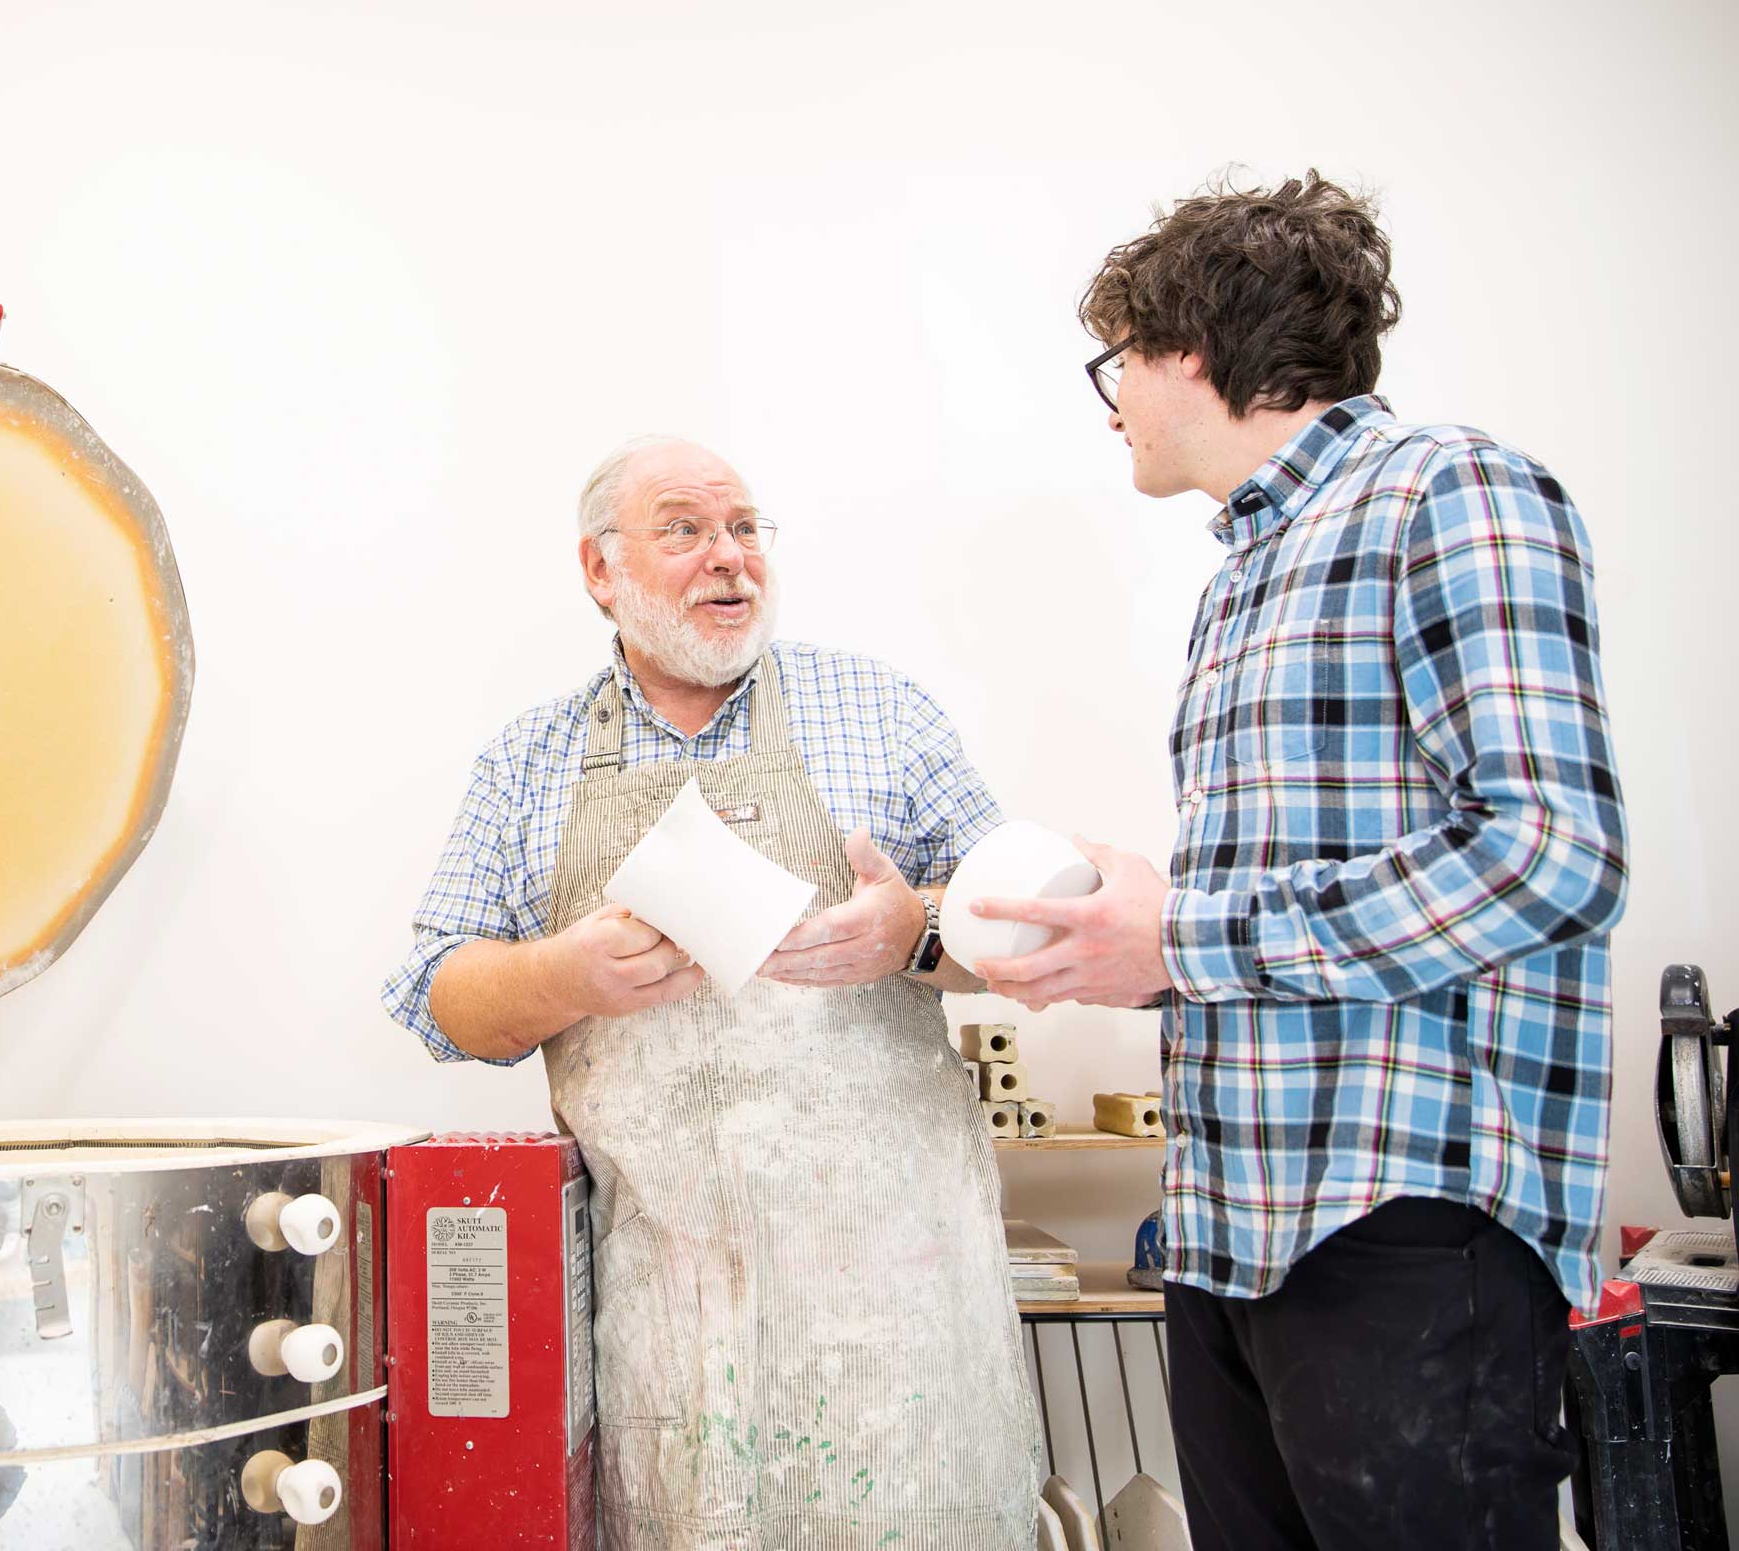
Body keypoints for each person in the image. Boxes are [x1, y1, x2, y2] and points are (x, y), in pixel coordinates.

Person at [970, 173, 1627, 1550]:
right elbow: (1294, 905)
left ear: (1192, 348)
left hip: (1401, 1230)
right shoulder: (1246, 575)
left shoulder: (1448, 490)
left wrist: (1186, 939)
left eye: (1120, 360)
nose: (1112, 400)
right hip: (1232, 1231)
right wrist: (1131, 948)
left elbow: (1553, 856)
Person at [383, 435, 1041, 1548]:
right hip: (669, 1322)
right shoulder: (529, 759)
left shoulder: (882, 713)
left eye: (744, 529)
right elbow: (433, 996)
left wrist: (916, 928)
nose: (728, 559)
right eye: (684, 529)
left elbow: (1025, 930)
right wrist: (560, 973)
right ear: (601, 570)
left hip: (897, 1311)